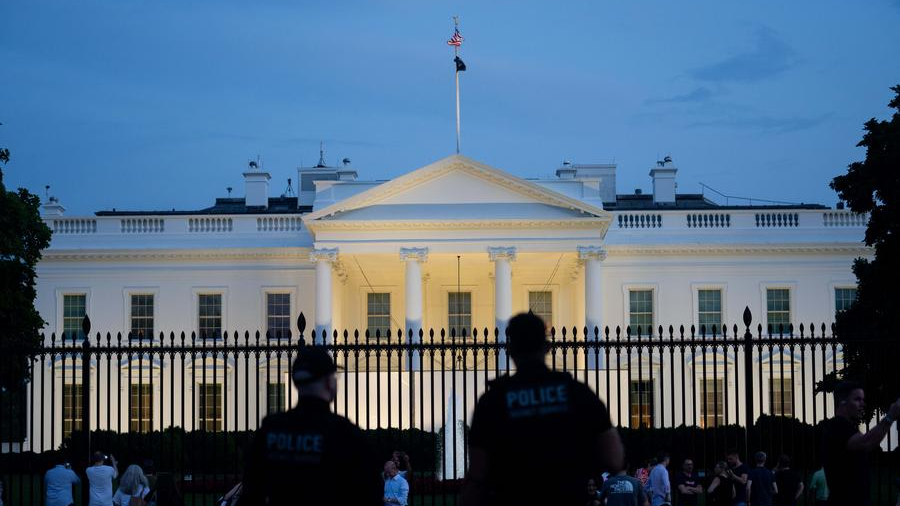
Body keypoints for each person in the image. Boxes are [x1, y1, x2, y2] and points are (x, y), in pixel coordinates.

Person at [460, 312, 624, 506]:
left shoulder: (493, 401)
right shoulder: (578, 393)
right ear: (547, 347)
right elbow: (614, 459)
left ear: (510, 349)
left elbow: (478, 475)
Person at [238, 346, 383, 505]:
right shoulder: (347, 434)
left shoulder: (270, 430)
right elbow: (371, 495)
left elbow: (251, 494)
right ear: (329, 382)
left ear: (296, 383)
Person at [822, 381, 900, 506]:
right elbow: (866, 443)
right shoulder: (838, 426)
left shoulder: (847, 427)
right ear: (842, 401)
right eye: (857, 399)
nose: (863, 404)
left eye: (863, 399)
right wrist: (890, 417)